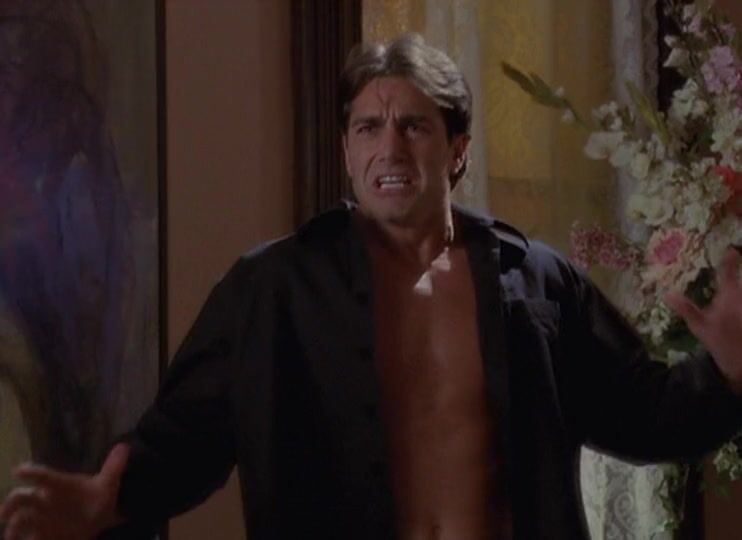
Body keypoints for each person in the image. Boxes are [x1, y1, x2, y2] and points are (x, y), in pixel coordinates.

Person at [1, 34, 741, 540]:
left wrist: (729, 371)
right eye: (367, 128)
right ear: (347, 150)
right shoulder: (273, 288)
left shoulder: (537, 283)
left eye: (414, 127)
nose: (390, 148)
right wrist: (108, 503)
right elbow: (182, 439)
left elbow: (646, 417)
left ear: (457, 151)